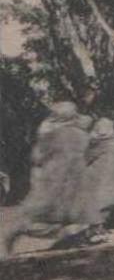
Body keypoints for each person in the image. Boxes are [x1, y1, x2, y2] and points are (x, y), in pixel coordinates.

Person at [1, 102, 98, 257]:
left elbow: (37, 157)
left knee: (46, 212)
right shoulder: (81, 134)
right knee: (63, 213)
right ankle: (27, 230)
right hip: (73, 179)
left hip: (53, 178)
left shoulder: (49, 132)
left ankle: (63, 236)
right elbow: (89, 155)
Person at [81, 117, 114, 238]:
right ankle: (102, 226)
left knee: (96, 201)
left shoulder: (98, 143)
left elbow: (86, 158)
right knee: (107, 201)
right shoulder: (113, 142)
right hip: (113, 176)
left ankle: (96, 229)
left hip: (98, 176)